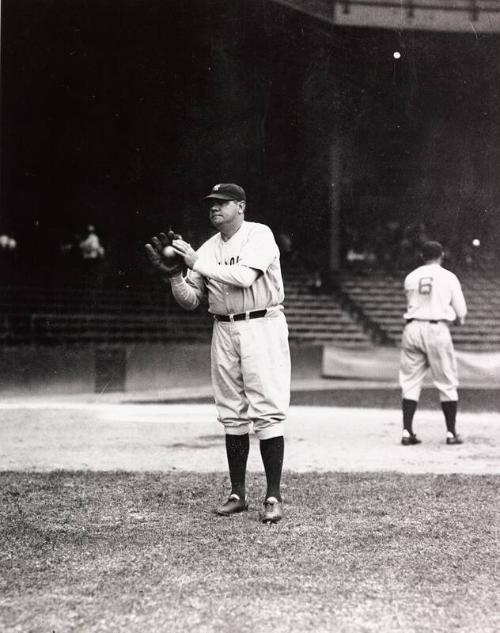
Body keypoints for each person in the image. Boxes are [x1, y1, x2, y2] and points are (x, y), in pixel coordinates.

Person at [145, 183, 291, 523]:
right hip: (223, 326)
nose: (214, 208)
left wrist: (196, 261)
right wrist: (176, 277)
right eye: (211, 204)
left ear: (240, 206)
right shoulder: (208, 248)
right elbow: (192, 301)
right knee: (231, 411)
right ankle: (237, 493)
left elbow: (243, 277)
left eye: (222, 203)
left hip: (261, 323)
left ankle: (273, 495)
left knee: (267, 408)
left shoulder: (259, 235)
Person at [399, 241, 467, 446]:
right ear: (442, 255)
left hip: (412, 327)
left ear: (421, 256)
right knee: (446, 380)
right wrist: (457, 319)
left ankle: (406, 431)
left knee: (410, 381)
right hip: (437, 328)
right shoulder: (449, 277)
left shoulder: (411, 277)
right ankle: (450, 433)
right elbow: (461, 312)